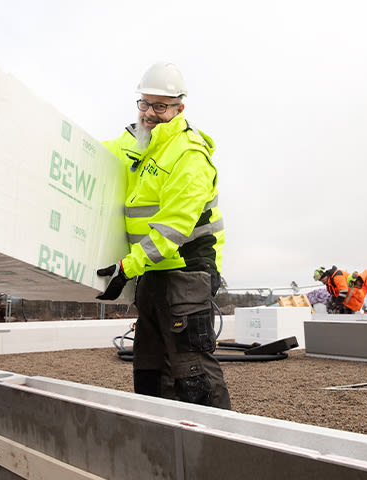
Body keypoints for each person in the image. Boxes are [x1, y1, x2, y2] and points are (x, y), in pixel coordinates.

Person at [96, 62, 230, 409]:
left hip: (186, 271)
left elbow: (174, 226)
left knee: (190, 366)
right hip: (152, 269)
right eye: (145, 104)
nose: (150, 114)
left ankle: (216, 442)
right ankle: (160, 439)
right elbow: (92, 157)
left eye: (160, 106)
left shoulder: (188, 155)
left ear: (179, 108)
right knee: (149, 365)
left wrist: (127, 266)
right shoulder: (134, 142)